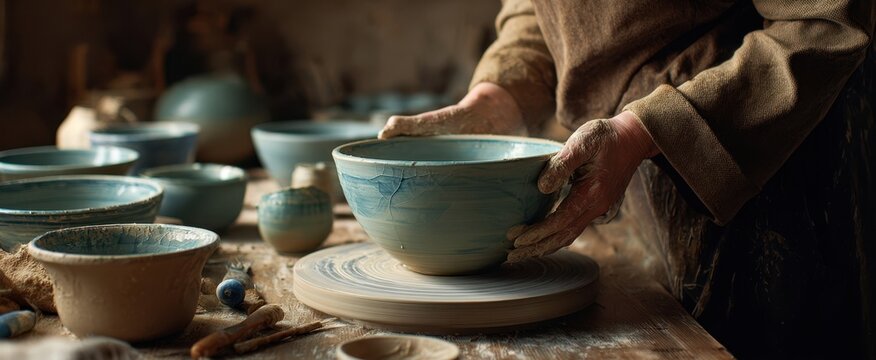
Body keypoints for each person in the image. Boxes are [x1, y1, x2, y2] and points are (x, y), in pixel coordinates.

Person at [379, 1, 875, 358]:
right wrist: (498, 97)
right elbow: (542, 14)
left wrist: (646, 130)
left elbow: (824, 24)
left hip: (756, 162)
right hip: (620, 163)